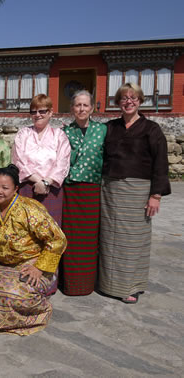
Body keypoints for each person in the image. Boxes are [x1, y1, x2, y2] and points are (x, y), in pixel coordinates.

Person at [0, 165, 67, 336]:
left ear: (16, 189)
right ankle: (2, 324)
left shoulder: (30, 209)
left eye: (5, 187)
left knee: (18, 295)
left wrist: (39, 267)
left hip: (34, 264)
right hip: (2, 265)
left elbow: (57, 239)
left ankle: (39, 314)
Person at [99, 83, 171, 304]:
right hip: (111, 190)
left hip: (138, 191)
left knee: (132, 240)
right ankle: (107, 284)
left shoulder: (151, 129)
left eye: (133, 98)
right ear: (118, 102)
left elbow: (160, 163)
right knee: (109, 239)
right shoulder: (110, 127)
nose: (128, 102)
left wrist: (155, 195)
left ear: (140, 101)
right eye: (123, 98)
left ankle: (130, 286)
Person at [60, 90, 107, 296]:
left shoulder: (102, 130)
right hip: (70, 190)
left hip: (92, 190)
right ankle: (69, 284)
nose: (81, 109)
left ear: (92, 108)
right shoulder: (64, 132)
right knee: (71, 237)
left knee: (89, 239)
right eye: (77, 105)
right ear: (72, 109)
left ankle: (87, 284)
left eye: (85, 105)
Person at [12, 94, 71, 226]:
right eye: (33, 111)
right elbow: (18, 160)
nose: (37, 115)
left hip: (51, 190)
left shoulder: (59, 135)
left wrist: (45, 182)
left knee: (50, 231)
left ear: (50, 112)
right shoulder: (23, 134)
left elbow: (62, 163)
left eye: (42, 111)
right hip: (28, 187)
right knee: (26, 229)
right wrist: (38, 181)